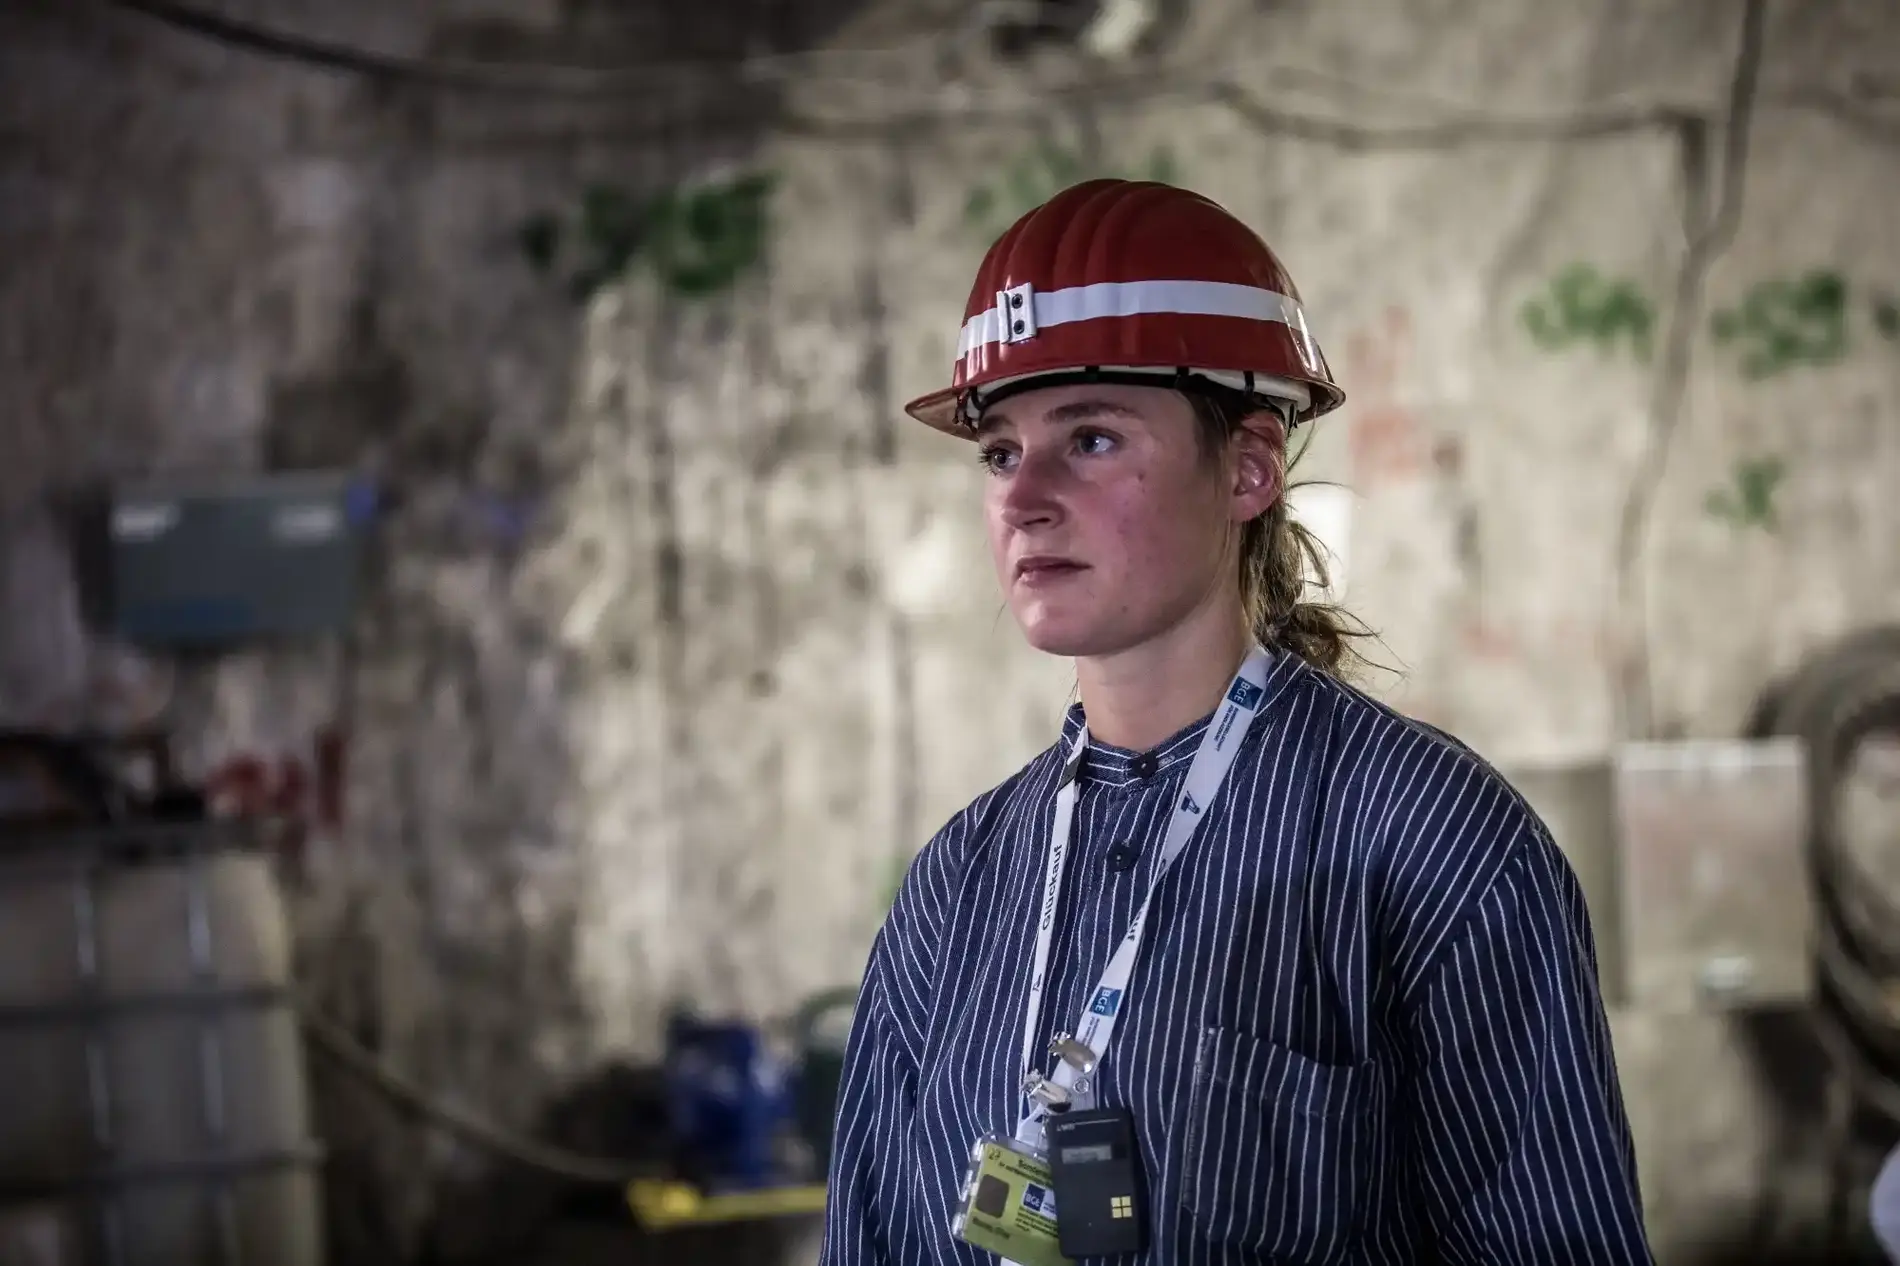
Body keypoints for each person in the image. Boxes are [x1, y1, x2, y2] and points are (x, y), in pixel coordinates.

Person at [819, 178, 1651, 1265]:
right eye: (1000, 451)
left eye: (1094, 439)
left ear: (1250, 468)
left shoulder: (1434, 843)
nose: (1024, 497)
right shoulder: (957, 884)